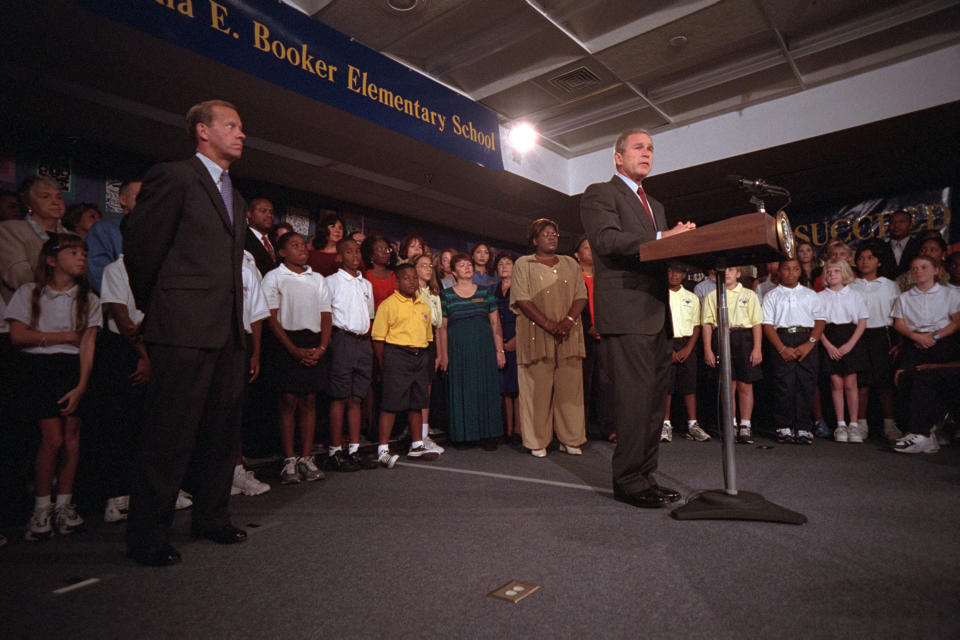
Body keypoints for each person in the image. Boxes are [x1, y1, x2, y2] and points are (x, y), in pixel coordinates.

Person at [122, 99, 250, 566]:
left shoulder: (234, 195)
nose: (241, 135)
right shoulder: (174, 176)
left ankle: (213, 519)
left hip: (228, 332)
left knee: (220, 434)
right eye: (231, 126)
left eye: (241, 128)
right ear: (202, 130)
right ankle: (149, 537)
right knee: (168, 435)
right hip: (181, 328)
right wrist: (162, 307)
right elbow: (142, 248)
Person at [579, 128, 695, 509]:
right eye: (638, 147)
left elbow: (658, 249)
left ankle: (647, 475)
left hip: (657, 314)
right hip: (627, 314)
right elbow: (608, 242)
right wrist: (664, 237)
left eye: (651, 148)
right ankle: (628, 481)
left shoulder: (655, 205)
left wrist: (684, 244)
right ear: (618, 157)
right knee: (633, 401)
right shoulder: (601, 193)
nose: (647, 153)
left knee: (652, 404)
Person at [5, 234, 101, 540]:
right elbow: (18, 336)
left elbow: (88, 347)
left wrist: (82, 385)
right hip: (41, 368)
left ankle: (64, 504)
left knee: (72, 439)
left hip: (73, 369)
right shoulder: (30, 292)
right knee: (52, 440)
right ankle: (42, 506)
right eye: (73, 252)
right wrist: (63, 337)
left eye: (84, 253)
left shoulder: (89, 299)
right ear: (51, 259)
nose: (81, 257)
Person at [511, 219, 588, 457]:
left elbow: (580, 295)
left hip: (569, 332)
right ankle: (537, 441)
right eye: (546, 234)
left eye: (554, 233)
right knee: (537, 389)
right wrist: (548, 324)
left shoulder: (570, 263)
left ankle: (571, 438)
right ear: (535, 240)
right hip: (536, 334)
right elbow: (522, 299)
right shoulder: (524, 263)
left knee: (570, 389)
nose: (552, 237)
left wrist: (567, 322)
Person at [261, 232, 330, 484]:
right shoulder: (274, 277)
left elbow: (326, 315)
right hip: (286, 343)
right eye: (294, 245)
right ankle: (289, 460)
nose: (302, 250)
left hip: (313, 343)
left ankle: (306, 457)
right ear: (281, 252)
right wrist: (293, 350)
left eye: (303, 245)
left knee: (309, 400)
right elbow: (271, 316)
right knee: (288, 400)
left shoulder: (317, 278)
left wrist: (321, 347)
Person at [889, 255, 960, 453]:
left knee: (927, 378)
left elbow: (956, 322)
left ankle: (925, 431)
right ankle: (914, 431)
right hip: (915, 342)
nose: (918, 271)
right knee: (903, 378)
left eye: (924, 267)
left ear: (936, 270)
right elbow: (899, 324)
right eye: (914, 268)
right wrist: (916, 337)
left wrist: (934, 337)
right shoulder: (904, 297)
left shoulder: (949, 294)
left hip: (942, 342)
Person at [371, 264, 437, 464]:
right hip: (397, 354)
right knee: (390, 403)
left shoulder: (423, 306)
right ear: (397, 282)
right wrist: (384, 364)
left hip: (420, 354)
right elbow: (378, 339)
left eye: (414, 278)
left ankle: (417, 444)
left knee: (417, 402)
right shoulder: (388, 305)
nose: (412, 282)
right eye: (406, 278)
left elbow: (428, 338)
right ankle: (383, 448)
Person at [439, 253, 505, 448]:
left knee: (486, 390)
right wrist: (444, 355)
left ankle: (489, 435)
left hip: (484, 349)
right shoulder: (446, 295)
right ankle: (463, 436)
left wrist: (499, 351)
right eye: (461, 265)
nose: (467, 267)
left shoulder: (486, 292)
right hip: (458, 351)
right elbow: (442, 328)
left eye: (469, 264)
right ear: (453, 271)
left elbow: (495, 323)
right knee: (462, 390)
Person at [325, 238, 377, 472]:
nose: (355, 255)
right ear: (339, 257)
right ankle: (335, 450)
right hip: (342, 339)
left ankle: (354, 449)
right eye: (348, 251)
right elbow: (325, 315)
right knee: (339, 396)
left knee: (357, 397)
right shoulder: (331, 282)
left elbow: (370, 316)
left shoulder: (366, 285)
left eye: (357, 251)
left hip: (362, 341)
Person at [761, 258, 825, 444]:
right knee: (784, 385)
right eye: (787, 269)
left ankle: (803, 427)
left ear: (800, 272)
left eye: (795, 269)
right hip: (782, 339)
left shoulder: (810, 294)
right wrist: (781, 348)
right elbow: (767, 325)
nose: (791, 272)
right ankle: (784, 426)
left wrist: (810, 343)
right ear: (779, 271)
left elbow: (820, 321)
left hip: (806, 339)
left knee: (806, 385)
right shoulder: (772, 296)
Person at [702, 266, 764, 444]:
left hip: (744, 338)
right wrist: (708, 350)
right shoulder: (712, 296)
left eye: (731, 270)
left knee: (746, 384)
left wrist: (757, 348)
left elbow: (757, 323)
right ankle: (731, 424)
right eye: (724, 271)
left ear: (738, 274)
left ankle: (745, 424)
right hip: (721, 336)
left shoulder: (749, 295)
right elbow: (707, 324)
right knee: (729, 385)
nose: (727, 273)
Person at [850, 242, 901, 441]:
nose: (865, 262)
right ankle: (861, 424)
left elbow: (898, 316)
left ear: (879, 262)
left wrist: (900, 342)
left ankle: (889, 424)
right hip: (859, 337)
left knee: (885, 383)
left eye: (870, 258)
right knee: (861, 383)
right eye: (861, 258)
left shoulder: (890, 285)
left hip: (883, 335)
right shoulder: (852, 286)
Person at [818, 259, 870, 443]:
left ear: (845, 273)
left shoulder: (854, 295)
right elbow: (818, 325)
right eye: (829, 271)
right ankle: (840, 424)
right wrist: (827, 345)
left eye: (836, 271)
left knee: (850, 383)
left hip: (850, 338)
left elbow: (862, 321)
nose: (832, 275)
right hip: (830, 338)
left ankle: (854, 425)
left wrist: (850, 344)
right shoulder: (820, 296)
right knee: (836, 383)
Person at [0, 175, 67, 303]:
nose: (55, 202)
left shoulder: (73, 238)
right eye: (45, 197)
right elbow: (19, 276)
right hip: (26, 311)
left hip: (69, 314)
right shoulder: (9, 230)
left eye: (59, 197)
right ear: (28, 203)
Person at [663, 263, 708, 442]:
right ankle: (665, 423)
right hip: (667, 343)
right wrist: (669, 350)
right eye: (671, 271)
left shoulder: (691, 297)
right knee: (667, 386)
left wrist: (688, 348)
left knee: (689, 385)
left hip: (687, 343)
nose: (674, 275)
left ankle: (692, 424)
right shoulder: (660, 296)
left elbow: (697, 325)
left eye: (679, 272)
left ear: (684, 275)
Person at [414, 254, 445, 454]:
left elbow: (440, 326)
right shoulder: (412, 292)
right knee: (416, 390)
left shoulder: (434, 294)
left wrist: (440, 354)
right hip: (414, 342)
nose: (427, 269)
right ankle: (416, 435)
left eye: (429, 266)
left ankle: (424, 434)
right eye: (422, 265)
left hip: (431, 343)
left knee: (427, 390)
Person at [86, 179, 141, 294]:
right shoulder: (104, 230)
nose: (146, 201)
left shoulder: (162, 231)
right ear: (123, 200)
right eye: (139, 196)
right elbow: (99, 275)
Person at [493, 252, 519, 444]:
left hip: (517, 339)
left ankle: (518, 429)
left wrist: (515, 340)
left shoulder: (520, 289)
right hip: (499, 340)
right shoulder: (493, 290)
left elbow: (525, 318)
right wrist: (499, 343)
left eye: (507, 263)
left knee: (517, 388)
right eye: (500, 264)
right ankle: (507, 430)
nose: (504, 267)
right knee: (504, 389)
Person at [881, 209, 922, 278]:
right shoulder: (881, 248)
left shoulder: (919, 246)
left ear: (911, 225)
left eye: (901, 222)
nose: (896, 225)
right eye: (892, 222)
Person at [362, 234, 398, 310]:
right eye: (380, 249)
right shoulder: (365, 276)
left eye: (387, 249)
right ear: (370, 254)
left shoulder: (396, 275)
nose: (385, 252)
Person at [244, 198, 277, 276]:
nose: (269, 215)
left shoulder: (275, 242)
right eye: (263, 211)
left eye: (271, 212)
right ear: (249, 213)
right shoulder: (242, 239)